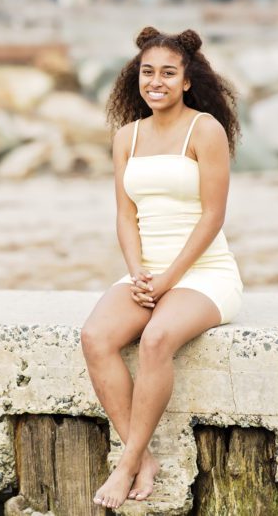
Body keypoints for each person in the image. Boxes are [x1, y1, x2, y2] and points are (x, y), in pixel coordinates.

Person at [82, 26, 244, 509]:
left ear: (187, 81)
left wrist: (168, 280)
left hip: (204, 273)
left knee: (155, 339)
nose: (157, 81)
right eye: (147, 72)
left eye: (168, 73)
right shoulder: (126, 137)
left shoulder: (205, 130)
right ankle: (144, 456)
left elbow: (213, 216)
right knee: (96, 338)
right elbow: (125, 214)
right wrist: (137, 272)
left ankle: (127, 463)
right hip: (146, 273)